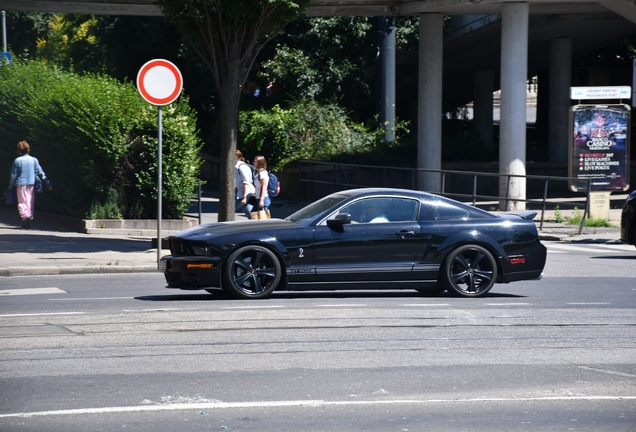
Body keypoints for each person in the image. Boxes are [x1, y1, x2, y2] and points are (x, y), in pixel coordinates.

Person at [8, 141, 52, 229]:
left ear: (19, 150)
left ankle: (26, 217)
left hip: (21, 184)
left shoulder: (17, 161)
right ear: (28, 150)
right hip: (31, 184)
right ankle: (28, 219)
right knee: (29, 201)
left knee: (22, 202)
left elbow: (13, 175)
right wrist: (48, 184)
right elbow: (41, 173)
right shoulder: (34, 160)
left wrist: (10, 185)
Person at [235, 150, 255, 218]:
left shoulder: (242, 167)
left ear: (236, 156)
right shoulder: (237, 167)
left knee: (229, 209)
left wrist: (244, 197)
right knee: (251, 214)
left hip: (246, 193)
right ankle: (258, 225)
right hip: (243, 193)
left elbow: (246, 182)